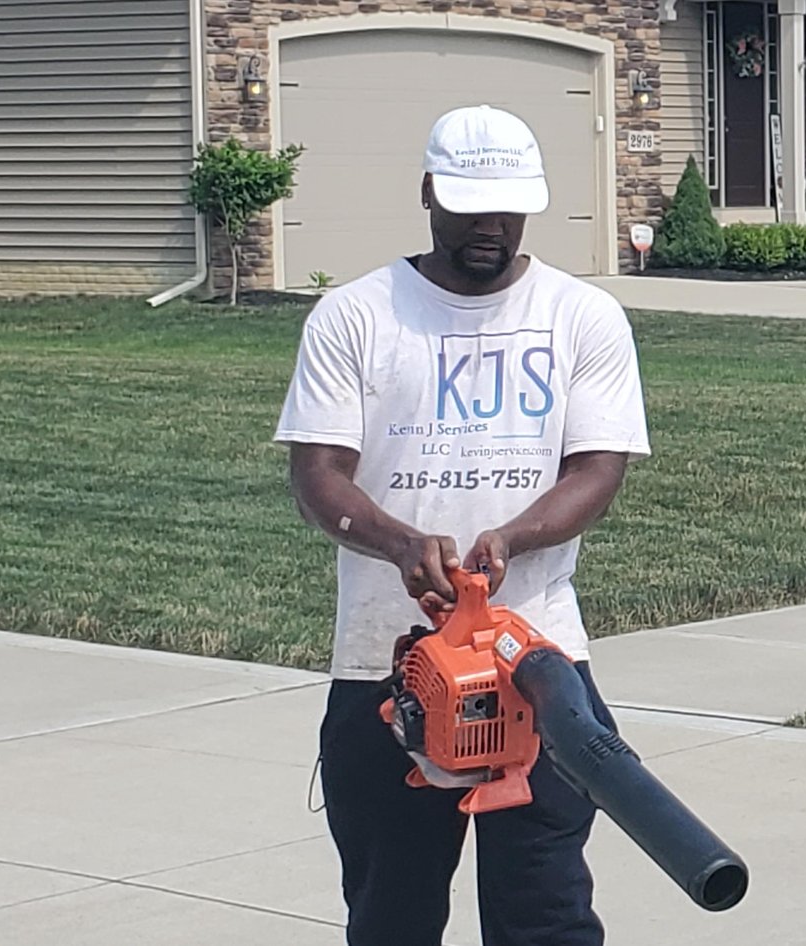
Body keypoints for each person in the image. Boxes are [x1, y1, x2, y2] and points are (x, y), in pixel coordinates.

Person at [273, 104, 652, 946]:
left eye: (508, 206)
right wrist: (401, 544)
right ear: (427, 195)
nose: (490, 224)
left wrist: (513, 538)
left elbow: (599, 467)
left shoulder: (580, 317)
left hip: (541, 660)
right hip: (388, 666)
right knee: (391, 912)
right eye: (469, 204)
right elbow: (317, 473)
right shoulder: (357, 316)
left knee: (546, 914)